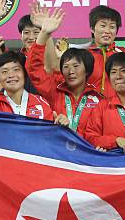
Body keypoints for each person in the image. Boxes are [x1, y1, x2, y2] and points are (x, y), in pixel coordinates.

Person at [26, 7, 102, 135]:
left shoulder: (99, 100)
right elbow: (34, 68)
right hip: (57, 152)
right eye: (66, 67)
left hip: (89, 153)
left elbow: (101, 133)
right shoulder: (54, 92)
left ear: (87, 70)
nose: (70, 71)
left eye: (76, 66)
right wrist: (44, 33)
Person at [87, 5, 125, 94]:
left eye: (112, 27)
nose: (107, 31)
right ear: (92, 28)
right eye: (103, 25)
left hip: (118, 106)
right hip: (90, 107)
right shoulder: (83, 56)